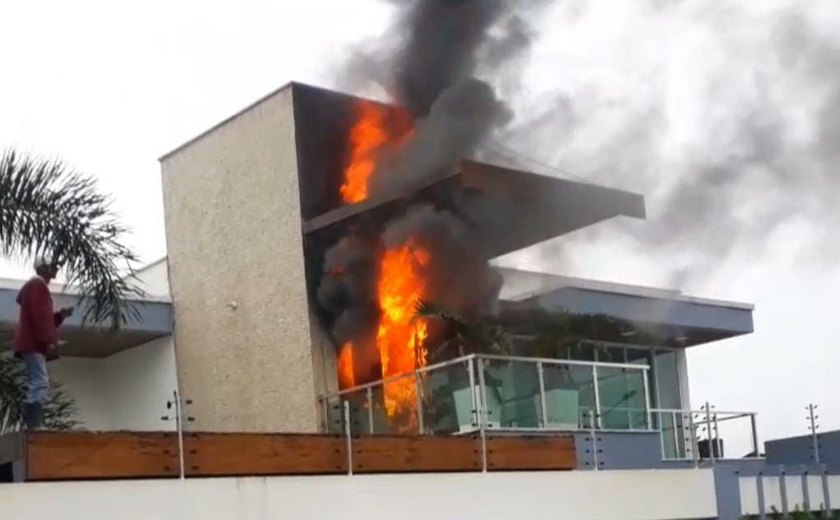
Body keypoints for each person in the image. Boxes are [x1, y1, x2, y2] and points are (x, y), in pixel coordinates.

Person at [13, 256, 73, 429]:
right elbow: (40, 318)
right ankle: (33, 423)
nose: (55, 270)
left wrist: (60, 317)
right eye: (51, 267)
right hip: (33, 343)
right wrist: (48, 342)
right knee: (40, 381)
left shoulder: (35, 287)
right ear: (42, 269)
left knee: (37, 380)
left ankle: (32, 421)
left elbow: (43, 319)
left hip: (31, 342)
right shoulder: (37, 286)